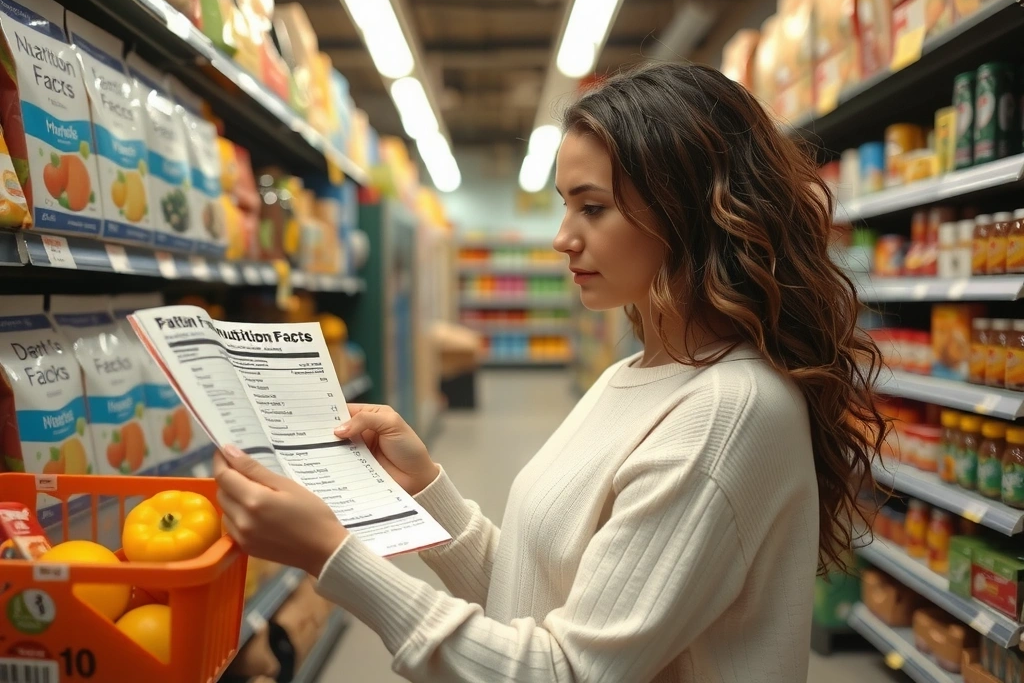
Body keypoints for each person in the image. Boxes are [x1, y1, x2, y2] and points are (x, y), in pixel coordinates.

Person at [213, 62, 886, 682]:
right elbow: (540, 595)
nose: (563, 236)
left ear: (690, 210)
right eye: (566, 204)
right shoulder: (633, 375)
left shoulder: (726, 413)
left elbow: (565, 671)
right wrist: (425, 488)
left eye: (592, 207)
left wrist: (334, 556)